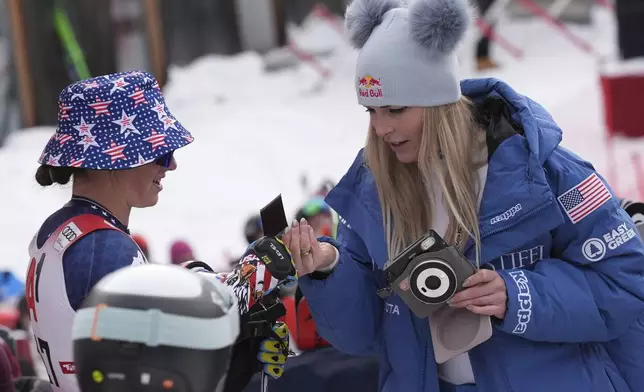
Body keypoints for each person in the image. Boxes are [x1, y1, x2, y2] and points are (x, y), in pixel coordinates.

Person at [282, 0, 644, 391]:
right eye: (371, 112)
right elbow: (360, 334)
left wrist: (517, 294)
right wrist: (327, 267)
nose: (382, 128)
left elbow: (624, 282)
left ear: (438, 102)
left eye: (396, 109)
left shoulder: (543, 169)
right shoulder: (375, 190)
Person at [25, 70, 193, 392]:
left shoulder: (60, 231)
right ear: (114, 157)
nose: (170, 165)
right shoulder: (107, 249)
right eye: (159, 152)